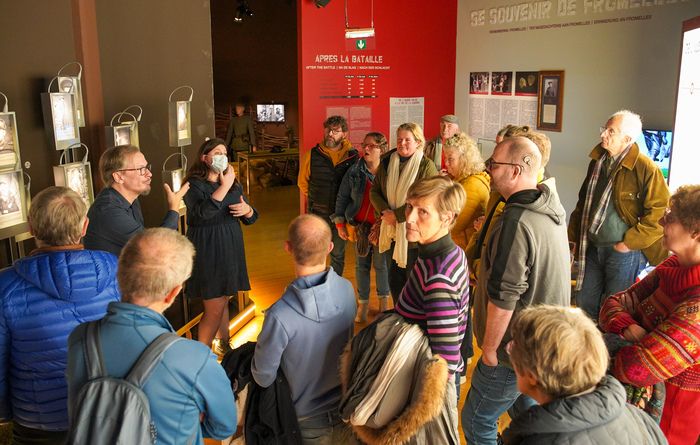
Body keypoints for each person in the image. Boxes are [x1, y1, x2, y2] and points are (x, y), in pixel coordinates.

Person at [67, 228, 237, 445]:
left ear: (120, 276)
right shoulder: (194, 357)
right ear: (173, 293)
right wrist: (190, 419)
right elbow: (224, 426)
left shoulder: (80, 339)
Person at [462, 137, 571, 445]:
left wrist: (491, 350)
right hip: (538, 345)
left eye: (494, 164)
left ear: (515, 170)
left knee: (476, 419)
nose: (489, 171)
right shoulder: (549, 208)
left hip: (512, 350)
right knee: (529, 419)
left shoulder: (517, 220)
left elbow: (505, 297)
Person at [0, 187, 120, 444]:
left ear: (31, 227)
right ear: (85, 226)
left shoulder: (5, 286)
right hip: (107, 409)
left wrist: (5, 414)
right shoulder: (114, 270)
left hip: (38, 418)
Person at [600, 184, 700, 445]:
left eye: (671, 217)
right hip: (633, 411)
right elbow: (612, 304)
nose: (660, 220)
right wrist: (631, 331)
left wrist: (600, 349)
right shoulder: (671, 266)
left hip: (666, 425)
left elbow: (637, 369)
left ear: (697, 232)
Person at [251, 214, 356, 444]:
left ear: (287, 248)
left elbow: (263, 376)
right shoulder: (348, 291)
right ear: (330, 247)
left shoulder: (279, 315)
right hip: (347, 410)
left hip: (304, 419)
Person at [502, 305, 668, 445]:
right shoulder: (639, 418)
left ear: (533, 376)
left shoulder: (536, 440)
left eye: (514, 348)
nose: (510, 351)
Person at [569, 110, 670, 322]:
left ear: (627, 138)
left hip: (624, 252)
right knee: (585, 301)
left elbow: (660, 212)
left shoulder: (645, 168)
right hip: (593, 246)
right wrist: (574, 236)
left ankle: (609, 352)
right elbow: (583, 202)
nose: (603, 134)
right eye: (604, 129)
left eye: (611, 131)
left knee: (615, 306)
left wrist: (629, 243)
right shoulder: (597, 162)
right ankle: (588, 350)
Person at [395, 176, 469, 398]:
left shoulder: (439, 278)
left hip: (428, 388)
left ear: (447, 219)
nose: (410, 218)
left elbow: (443, 362)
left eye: (423, 212)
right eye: (409, 207)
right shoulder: (449, 252)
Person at [183, 138, 258, 354]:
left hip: (230, 246)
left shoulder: (233, 182)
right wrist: (224, 186)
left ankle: (224, 346)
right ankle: (201, 356)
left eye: (225, 153)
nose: (222, 157)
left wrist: (248, 211)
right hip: (208, 247)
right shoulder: (193, 185)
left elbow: (250, 216)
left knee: (224, 298)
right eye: (217, 152)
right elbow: (201, 214)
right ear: (204, 158)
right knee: (214, 306)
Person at [465, 126, 551, 282]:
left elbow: (507, 277)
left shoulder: (528, 205)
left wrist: (475, 270)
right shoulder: (499, 192)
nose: (491, 167)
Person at [370, 122, 438, 303]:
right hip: (391, 232)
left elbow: (427, 199)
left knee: (413, 281)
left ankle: (413, 317)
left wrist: (398, 215)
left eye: (408, 140)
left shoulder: (426, 166)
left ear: (418, 142)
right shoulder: (386, 161)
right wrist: (385, 212)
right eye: (399, 139)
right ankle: (399, 312)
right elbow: (374, 191)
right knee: (394, 279)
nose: (402, 144)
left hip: (414, 235)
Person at [83, 145, 190, 256]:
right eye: (141, 169)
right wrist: (174, 208)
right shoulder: (108, 210)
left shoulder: (132, 200)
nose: (149, 174)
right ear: (118, 177)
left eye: (147, 167)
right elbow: (153, 246)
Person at [333, 132, 391, 322]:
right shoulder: (355, 171)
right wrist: (340, 223)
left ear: (381, 149)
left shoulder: (390, 171)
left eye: (371, 146)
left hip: (382, 227)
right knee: (361, 266)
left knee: (382, 265)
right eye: (364, 145)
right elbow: (342, 197)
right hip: (360, 227)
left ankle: (384, 305)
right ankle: (363, 305)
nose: (365, 149)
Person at [298, 115, 359, 276]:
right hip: (318, 214)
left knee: (338, 254)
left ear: (344, 134)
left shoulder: (353, 157)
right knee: (316, 252)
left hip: (342, 215)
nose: (331, 134)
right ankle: (316, 284)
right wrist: (317, 198)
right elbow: (302, 183)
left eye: (336, 131)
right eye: (328, 130)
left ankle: (334, 284)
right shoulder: (312, 154)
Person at [442, 132, 490, 250]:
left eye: (451, 159)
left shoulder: (472, 185)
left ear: (464, 159)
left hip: (464, 251)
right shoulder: (462, 179)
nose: (446, 163)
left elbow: (452, 226)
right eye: (445, 158)